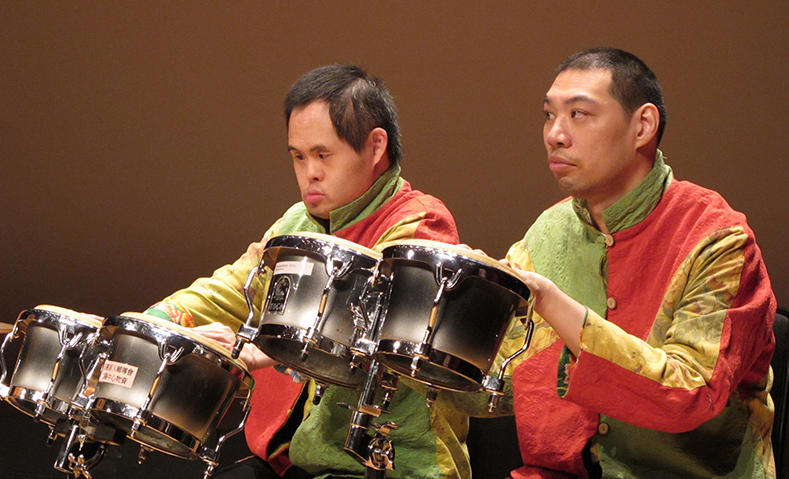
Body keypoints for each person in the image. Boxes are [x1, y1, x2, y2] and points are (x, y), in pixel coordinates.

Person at [145, 64, 469, 479]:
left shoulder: (421, 224)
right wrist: (156, 321)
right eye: (298, 157)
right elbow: (233, 286)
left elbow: (363, 328)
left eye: (322, 155)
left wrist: (255, 349)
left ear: (374, 147)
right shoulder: (295, 222)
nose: (309, 172)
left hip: (385, 462)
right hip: (293, 461)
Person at [501, 47, 776, 478]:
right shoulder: (547, 232)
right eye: (548, 114)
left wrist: (552, 301)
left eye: (579, 114)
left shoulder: (717, 238)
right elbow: (491, 384)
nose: (555, 134)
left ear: (642, 125)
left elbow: (691, 392)